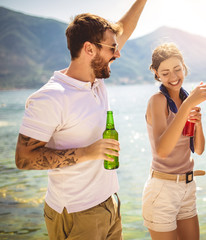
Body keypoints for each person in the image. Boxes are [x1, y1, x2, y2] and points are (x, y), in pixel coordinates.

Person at [14, 1, 147, 239]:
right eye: (112, 49)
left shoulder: (96, 78)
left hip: (109, 204)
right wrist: (87, 153)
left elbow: (123, 29)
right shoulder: (51, 97)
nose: (118, 53)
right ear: (89, 49)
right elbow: (24, 159)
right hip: (76, 213)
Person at [142, 42, 206, 240]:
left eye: (177, 69)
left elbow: (198, 149)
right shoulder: (157, 101)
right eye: (165, 73)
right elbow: (162, 151)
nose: (173, 77)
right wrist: (189, 104)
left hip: (187, 187)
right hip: (162, 189)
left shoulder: (186, 100)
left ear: (184, 67)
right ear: (157, 74)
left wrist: (198, 123)